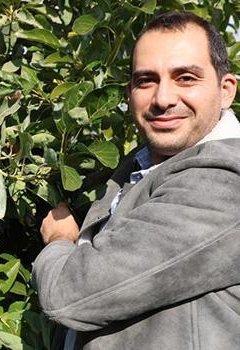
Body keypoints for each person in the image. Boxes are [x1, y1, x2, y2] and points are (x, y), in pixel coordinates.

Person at [33, 11, 240, 350]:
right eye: (146, 80)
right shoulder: (140, 169)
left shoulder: (224, 182)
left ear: (226, 89)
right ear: (130, 91)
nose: (163, 99)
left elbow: (69, 294)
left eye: (186, 78)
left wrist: (59, 240)